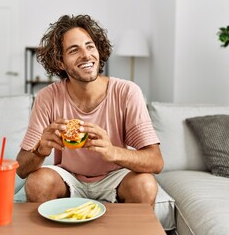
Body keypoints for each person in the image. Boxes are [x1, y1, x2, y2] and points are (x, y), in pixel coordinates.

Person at [16, 14, 164, 207]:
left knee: (145, 184)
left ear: (99, 51)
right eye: (74, 50)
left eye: (90, 46)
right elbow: (21, 168)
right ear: (60, 62)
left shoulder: (127, 92)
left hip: (116, 177)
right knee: (38, 182)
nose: (86, 55)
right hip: (68, 177)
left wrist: (113, 152)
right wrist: (40, 150)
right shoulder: (47, 97)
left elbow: (156, 161)